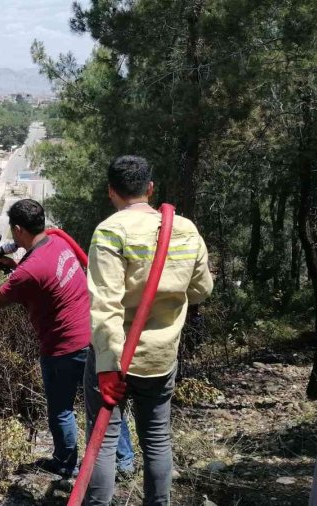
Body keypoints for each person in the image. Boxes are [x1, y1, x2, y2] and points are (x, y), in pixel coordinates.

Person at [0, 199, 134, 478]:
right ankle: (125, 463)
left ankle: (65, 463)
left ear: (19, 229)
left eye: (13, 231)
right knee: (105, 402)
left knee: (61, 409)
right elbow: (45, 280)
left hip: (63, 347)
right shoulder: (59, 243)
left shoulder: (30, 270)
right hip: (93, 336)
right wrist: (14, 268)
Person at [84, 156, 214, 505]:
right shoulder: (184, 229)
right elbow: (202, 290)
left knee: (104, 441)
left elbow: (105, 305)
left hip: (114, 359)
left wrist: (108, 366)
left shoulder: (110, 232)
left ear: (111, 191)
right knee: (157, 439)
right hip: (161, 356)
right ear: (150, 188)